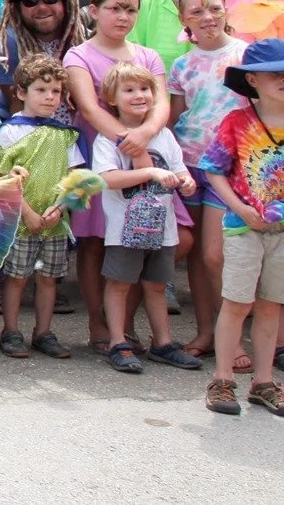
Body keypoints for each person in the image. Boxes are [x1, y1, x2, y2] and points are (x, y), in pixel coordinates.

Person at [198, 39, 284, 417]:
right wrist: (240, 207)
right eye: (276, 74)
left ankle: (264, 381)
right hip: (244, 227)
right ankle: (222, 378)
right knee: (238, 302)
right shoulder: (237, 122)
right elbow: (213, 170)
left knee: (272, 306)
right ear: (253, 80)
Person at [63, 0, 169, 354]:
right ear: (94, 11)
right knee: (96, 241)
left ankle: (124, 319)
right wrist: (130, 144)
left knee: (150, 237)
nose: (123, 16)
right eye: (114, 8)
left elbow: (161, 103)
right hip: (99, 149)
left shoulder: (148, 56)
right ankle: (99, 322)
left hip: (147, 146)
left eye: (130, 9)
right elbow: (90, 108)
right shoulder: (78, 55)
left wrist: (146, 136)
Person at [90, 62, 202, 373]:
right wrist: (150, 171)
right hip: (125, 229)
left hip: (162, 228)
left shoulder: (164, 135)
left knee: (156, 284)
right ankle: (117, 341)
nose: (139, 95)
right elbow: (108, 179)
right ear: (112, 99)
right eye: (129, 90)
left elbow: (178, 169)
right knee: (119, 282)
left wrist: (186, 181)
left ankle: (163, 342)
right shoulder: (108, 138)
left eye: (144, 89)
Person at [166, 0, 246, 362]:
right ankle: (205, 331)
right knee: (196, 254)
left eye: (213, 8)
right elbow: (177, 115)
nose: (207, 17)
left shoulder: (246, 55)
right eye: (196, 11)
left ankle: (233, 335)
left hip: (227, 168)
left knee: (217, 255)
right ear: (184, 19)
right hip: (188, 163)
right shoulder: (181, 64)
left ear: (226, 9)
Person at [0, 54, 79, 360]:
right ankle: (11, 331)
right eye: (41, 90)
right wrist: (27, 212)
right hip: (20, 219)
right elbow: (2, 178)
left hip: (55, 220)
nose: (49, 97)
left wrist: (59, 207)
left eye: (55, 91)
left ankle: (43, 332)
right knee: (16, 277)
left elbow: (74, 177)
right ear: (20, 93)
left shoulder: (64, 134)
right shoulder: (8, 131)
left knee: (48, 278)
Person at [0, 0, 84, 117]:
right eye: (30, 2)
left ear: (66, 2)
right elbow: (16, 104)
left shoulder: (79, 37)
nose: (42, 7)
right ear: (18, 8)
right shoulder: (7, 42)